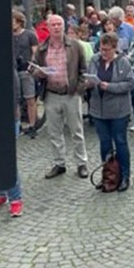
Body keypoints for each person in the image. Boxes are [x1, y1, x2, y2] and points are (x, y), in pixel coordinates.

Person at [32, 14, 90, 180]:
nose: (57, 27)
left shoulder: (75, 46)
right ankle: (59, 163)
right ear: (48, 28)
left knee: (76, 131)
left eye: (59, 24)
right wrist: (39, 73)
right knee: (54, 132)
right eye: (53, 25)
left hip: (70, 94)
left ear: (64, 26)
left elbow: (83, 70)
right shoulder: (43, 48)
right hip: (51, 94)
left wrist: (79, 89)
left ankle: (81, 163)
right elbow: (33, 68)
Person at [88, 33, 134, 191]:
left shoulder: (123, 62)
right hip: (98, 110)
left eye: (107, 50)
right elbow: (89, 78)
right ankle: (108, 176)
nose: (103, 53)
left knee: (120, 142)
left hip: (118, 111)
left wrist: (110, 87)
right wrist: (88, 83)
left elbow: (130, 84)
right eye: (101, 49)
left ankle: (124, 176)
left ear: (114, 49)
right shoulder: (95, 60)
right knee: (104, 144)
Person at [0, 66, 24, 217]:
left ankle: (16, 198)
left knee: (7, 159)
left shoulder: (10, 71)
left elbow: (14, 98)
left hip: (7, 119)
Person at [12, 10, 39, 137]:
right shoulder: (10, 35)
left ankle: (32, 125)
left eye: (13, 20)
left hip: (25, 69)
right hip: (13, 69)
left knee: (30, 98)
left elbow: (35, 52)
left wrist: (31, 66)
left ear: (19, 21)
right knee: (15, 99)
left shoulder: (29, 35)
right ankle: (18, 125)